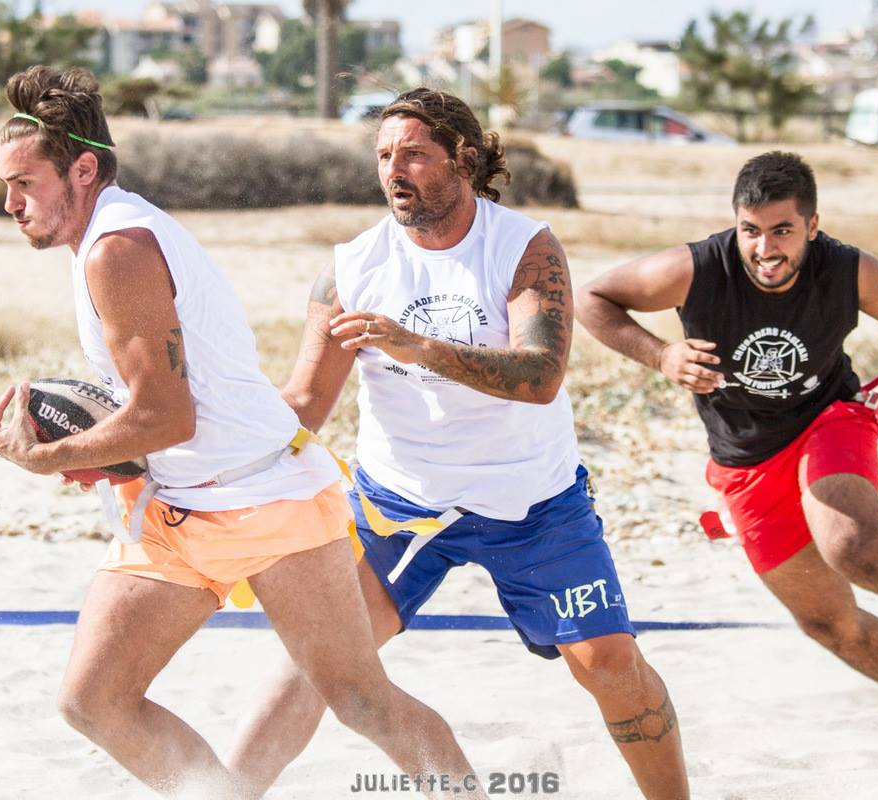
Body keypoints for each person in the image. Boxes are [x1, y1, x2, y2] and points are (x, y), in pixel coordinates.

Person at [0, 65, 480, 798]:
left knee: (361, 700)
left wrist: (47, 456)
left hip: (265, 497)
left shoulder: (119, 250)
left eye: (24, 183)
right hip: (180, 502)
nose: (8, 202)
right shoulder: (105, 241)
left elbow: (165, 415)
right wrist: (111, 455)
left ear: (81, 169)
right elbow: (159, 415)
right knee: (93, 701)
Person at [224, 88, 689, 800]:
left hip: (532, 504)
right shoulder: (351, 267)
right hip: (399, 502)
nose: (393, 170)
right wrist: (207, 455)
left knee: (606, 663)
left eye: (412, 152)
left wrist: (416, 346)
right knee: (316, 663)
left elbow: (540, 377)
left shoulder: (523, 246)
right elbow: (304, 405)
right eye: (383, 155)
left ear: (464, 158)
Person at [576, 150, 878, 723]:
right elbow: (592, 298)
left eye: (782, 230)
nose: (765, 249)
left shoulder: (846, 268)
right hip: (742, 456)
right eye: (750, 231)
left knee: (850, 547)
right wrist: (662, 354)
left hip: (827, 416)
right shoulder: (698, 268)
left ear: (812, 225)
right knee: (827, 622)